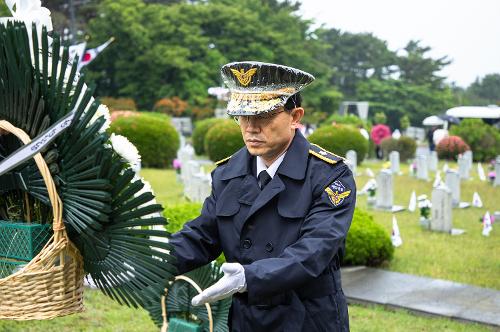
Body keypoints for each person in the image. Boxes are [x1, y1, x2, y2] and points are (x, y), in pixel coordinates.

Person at [170, 61, 356, 331]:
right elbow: (202, 236)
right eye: (243, 116)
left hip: (307, 319)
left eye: (264, 116)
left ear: (295, 117)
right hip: (248, 319)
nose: (251, 128)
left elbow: (314, 251)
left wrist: (248, 277)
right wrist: (142, 261)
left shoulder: (329, 176)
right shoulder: (228, 173)